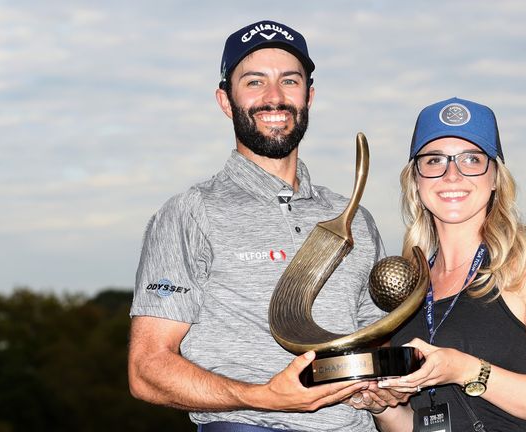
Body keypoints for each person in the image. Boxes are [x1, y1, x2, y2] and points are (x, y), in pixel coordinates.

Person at [128, 20, 389, 432]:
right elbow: (147, 369)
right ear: (225, 100)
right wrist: (260, 397)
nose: (274, 97)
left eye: (290, 80)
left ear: (309, 96)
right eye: (254, 82)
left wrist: (382, 386)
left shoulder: (354, 216)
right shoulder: (189, 212)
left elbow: (373, 343)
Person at [370, 97, 526, 431]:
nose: (452, 175)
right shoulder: (410, 286)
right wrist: (381, 406)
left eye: (471, 159)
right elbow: (415, 423)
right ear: (416, 179)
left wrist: (464, 369)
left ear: (496, 177)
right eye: (434, 160)